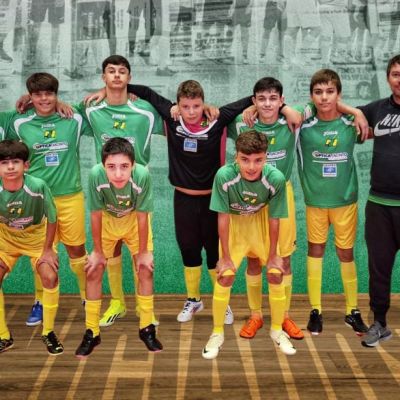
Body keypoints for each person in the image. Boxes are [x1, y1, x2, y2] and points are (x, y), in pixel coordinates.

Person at [122, 80, 256, 324]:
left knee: (215, 254)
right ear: (178, 105)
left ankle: (221, 301)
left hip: (214, 201)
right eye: (185, 106)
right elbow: (147, 92)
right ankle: (194, 299)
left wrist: (259, 106)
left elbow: (252, 97)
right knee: (189, 250)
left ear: (203, 103)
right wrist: (121, 89)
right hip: (183, 199)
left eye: (196, 105)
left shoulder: (217, 119)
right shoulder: (172, 118)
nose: (191, 111)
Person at [75, 55, 164, 328]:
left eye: (122, 71)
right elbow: (58, 110)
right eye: (111, 71)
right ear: (103, 77)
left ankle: (144, 309)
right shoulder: (92, 109)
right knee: (110, 252)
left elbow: (176, 118)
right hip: (107, 194)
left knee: (142, 258)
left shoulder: (145, 110)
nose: (116, 75)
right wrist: (29, 100)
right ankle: (117, 303)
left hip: (137, 193)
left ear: (129, 77)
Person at [202, 130, 296, 359]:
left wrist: (273, 254)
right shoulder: (224, 176)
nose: (251, 167)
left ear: (266, 157)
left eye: (258, 160)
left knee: (275, 273)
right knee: (225, 276)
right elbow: (222, 216)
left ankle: (277, 331)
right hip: (236, 226)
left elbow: (274, 219)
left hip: (261, 224)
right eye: (245, 159)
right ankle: (217, 333)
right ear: (236, 156)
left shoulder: (275, 178)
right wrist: (225, 256)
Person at [7, 72, 91, 328]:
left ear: (57, 94)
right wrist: (26, 100)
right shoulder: (19, 122)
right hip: (37, 200)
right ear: (30, 96)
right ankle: (40, 301)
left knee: (77, 251)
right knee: (41, 255)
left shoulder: (73, 117)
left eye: (49, 94)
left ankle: (88, 298)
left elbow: (104, 106)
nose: (44, 99)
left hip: (70, 197)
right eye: (38, 95)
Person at [228, 77, 304, 341]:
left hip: (281, 196)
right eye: (261, 99)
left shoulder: (292, 121)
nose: (267, 104)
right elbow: (214, 116)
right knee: (253, 259)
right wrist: (248, 109)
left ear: (281, 100)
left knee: (284, 259)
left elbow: (316, 107)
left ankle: (284, 316)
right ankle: (256, 315)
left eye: (273, 99)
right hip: (251, 197)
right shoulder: (242, 123)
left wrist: (288, 109)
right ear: (254, 101)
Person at [75, 137, 162, 358]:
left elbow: (142, 216)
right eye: (111, 167)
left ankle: (146, 328)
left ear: (133, 165)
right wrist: (97, 252)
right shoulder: (95, 175)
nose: (118, 173)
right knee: (93, 270)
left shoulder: (142, 175)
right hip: (107, 222)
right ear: (103, 166)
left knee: (145, 269)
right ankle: (92, 332)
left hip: (134, 223)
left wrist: (143, 253)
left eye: (124, 166)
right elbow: (95, 214)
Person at [297, 69, 368, 336]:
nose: (324, 97)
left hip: (345, 202)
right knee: (315, 251)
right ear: (311, 96)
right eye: (318, 92)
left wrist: (355, 111)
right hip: (315, 201)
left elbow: (371, 130)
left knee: (345, 253)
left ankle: (353, 311)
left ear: (339, 94)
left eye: (330, 92)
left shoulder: (351, 122)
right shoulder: (303, 125)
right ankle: (315, 310)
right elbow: (286, 111)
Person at [338, 54, 400, 347]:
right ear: (388, 78)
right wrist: (358, 113)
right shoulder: (378, 109)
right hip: (380, 206)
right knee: (379, 269)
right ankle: (380, 324)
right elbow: (336, 105)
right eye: (396, 74)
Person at [0, 139, 62, 355]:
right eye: (4, 163)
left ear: (25, 165)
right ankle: (3, 336)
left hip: (37, 239)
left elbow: (52, 217)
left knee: (50, 277)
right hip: (7, 240)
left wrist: (48, 250)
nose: (10, 167)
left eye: (15, 162)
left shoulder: (37, 186)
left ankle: (48, 332)